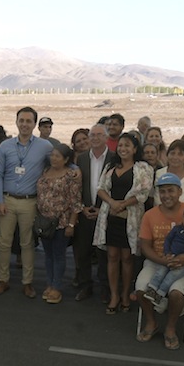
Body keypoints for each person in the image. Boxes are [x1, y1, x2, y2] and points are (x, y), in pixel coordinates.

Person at [134, 174, 184, 350]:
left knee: (175, 293)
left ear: (180, 191)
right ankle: (151, 323)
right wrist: (162, 261)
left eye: (171, 190)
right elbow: (145, 246)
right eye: (162, 191)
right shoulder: (150, 215)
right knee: (141, 289)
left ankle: (171, 328)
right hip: (156, 262)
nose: (167, 195)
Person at [0, 107, 55, 298]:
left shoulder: (45, 146)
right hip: (8, 201)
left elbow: (59, 162)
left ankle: (27, 283)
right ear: (16, 122)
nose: (25, 124)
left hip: (30, 202)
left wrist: (75, 168)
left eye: (29, 121)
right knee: (3, 243)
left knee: (27, 243)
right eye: (22, 120)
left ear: (34, 124)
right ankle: (3, 280)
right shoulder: (5, 146)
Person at [94, 133, 153, 314]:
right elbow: (101, 189)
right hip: (111, 218)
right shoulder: (111, 167)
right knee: (112, 257)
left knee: (127, 258)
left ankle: (126, 294)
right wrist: (113, 203)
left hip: (131, 219)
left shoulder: (143, 168)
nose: (123, 149)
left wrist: (123, 204)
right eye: (120, 145)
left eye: (127, 145)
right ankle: (114, 295)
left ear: (135, 149)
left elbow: (143, 192)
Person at [35, 144, 82, 304]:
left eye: (58, 156)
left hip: (61, 223)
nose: (53, 158)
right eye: (52, 155)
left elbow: (76, 203)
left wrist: (71, 225)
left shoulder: (71, 175)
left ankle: (57, 287)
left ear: (66, 159)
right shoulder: (45, 172)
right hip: (44, 221)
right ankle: (49, 283)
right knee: (47, 256)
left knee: (59, 256)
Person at [73, 124, 111, 302]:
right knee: (83, 252)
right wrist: (83, 207)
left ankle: (105, 288)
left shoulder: (113, 158)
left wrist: (103, 209)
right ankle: (85, 286)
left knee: (104, 254)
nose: (95, 138)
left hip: (105, 214)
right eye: (92, 135)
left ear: (106, 137)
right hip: (85, 212)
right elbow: (77, 187)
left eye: (99, 135)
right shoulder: (81, 159)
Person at [144, 202, 184, 304]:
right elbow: (168, 240)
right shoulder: (178, 229)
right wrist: (167, 253)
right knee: (161, 271)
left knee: (172, 276)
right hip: (171, 257)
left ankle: (160, 294)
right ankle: (151, 289)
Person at [153, 139, 184, 205]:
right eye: (172, 153)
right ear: (167, 155)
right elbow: (151, 199)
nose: (175, 157)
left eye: (180, 154)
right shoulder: (157, 174)